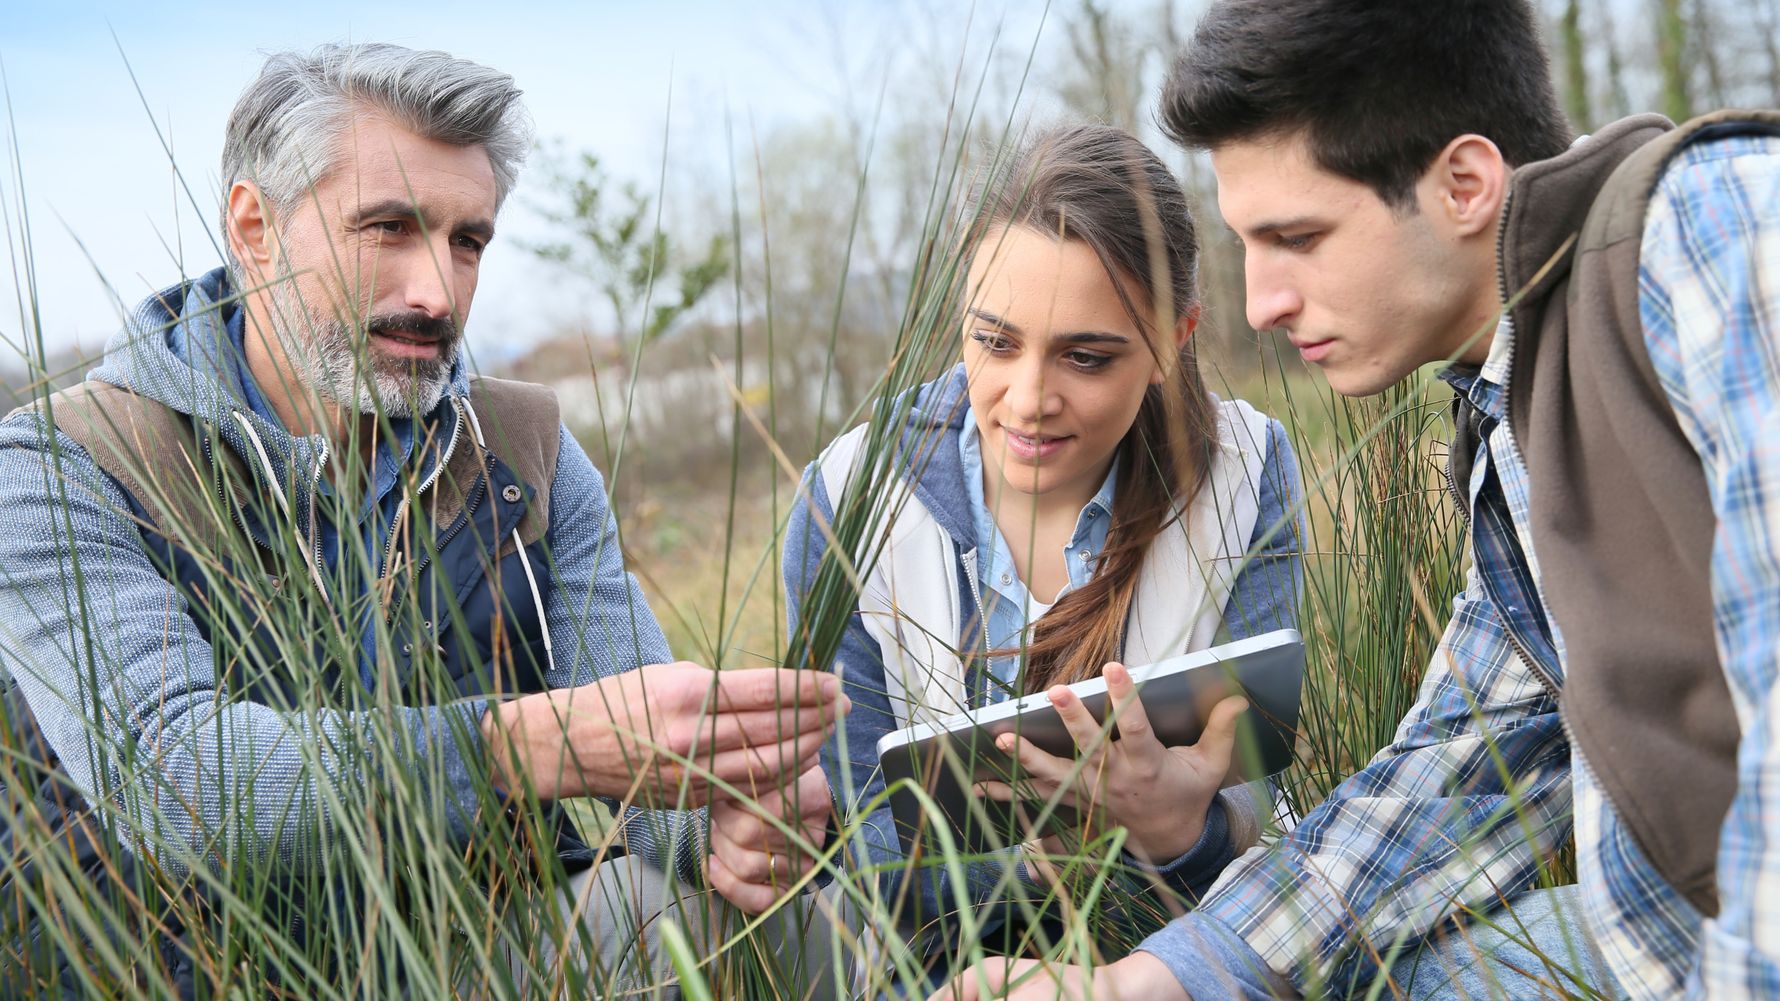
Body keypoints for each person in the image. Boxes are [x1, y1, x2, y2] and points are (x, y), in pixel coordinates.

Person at [937, 1, 1780, 999]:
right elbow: (1455, 771)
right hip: (1674, 928)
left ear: (1463, 183)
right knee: (1377, 974)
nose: (1261, 304)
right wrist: (1138, 983)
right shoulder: (1516, 417)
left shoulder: (1718, 230)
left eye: (1297, 236)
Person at [0, 43, 844, 996]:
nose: (437, 293)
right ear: (256, 226)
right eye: (389, 227)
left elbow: (646, 758)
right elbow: (178, 782)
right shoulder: (58, 465)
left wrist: (726, 827)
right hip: (177, 975)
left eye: (467, 240)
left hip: (476, 953)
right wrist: (530, 743)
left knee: (744, 921)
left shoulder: (527, 451)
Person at [783, 123, 1304, 992]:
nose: (1027, 400)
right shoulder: (847, 493)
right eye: (994, 342)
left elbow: (1256, 804)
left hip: (1170, 957)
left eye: (1086, 356)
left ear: (1175, 338)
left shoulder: (1249, 469)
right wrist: (1044, 866)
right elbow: (863, 843)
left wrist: (1181, 833)